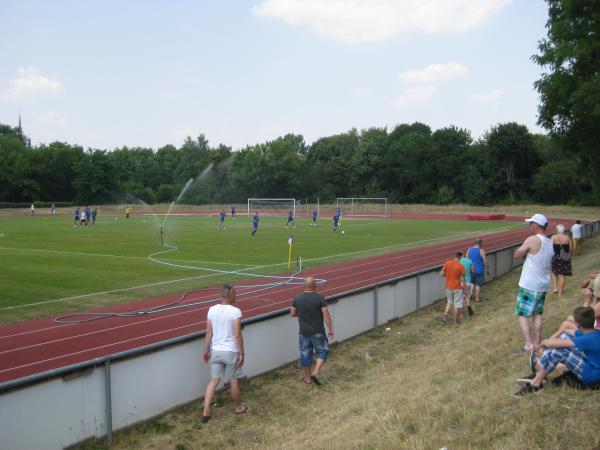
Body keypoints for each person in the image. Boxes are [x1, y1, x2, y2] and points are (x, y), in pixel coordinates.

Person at [514, 306, 600, 395]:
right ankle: (541, 374)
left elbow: (555, 344)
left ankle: (536, 383)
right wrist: (563, 331)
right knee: (564, 338)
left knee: (557, 352)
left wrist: (544, 342)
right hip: (592, 366)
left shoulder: (587, 339)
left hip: (592, 377)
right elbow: (568, 332)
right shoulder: (594, 333)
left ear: (578, 324)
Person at [202, 285, 249, 422]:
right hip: (231, 351)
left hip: (216, 351)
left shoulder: (211, 310)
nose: (236, 297)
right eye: (235, 294)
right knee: (233, 380)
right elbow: (237, 334)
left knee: (214, 380)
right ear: (229, 295)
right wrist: (242, 354)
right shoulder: (235, 312)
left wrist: (206, 350)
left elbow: (209, 332)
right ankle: (238, 407)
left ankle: (206, 410)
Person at [513, 213, 554, 354]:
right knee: (538, 314)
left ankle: (528, 345)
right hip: (543, 284)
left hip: (530, 284)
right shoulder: (550, 242)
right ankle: (536, 342)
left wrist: (523, 250)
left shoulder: (532, 239)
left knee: (522, 314)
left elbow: (517, 255)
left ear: (537, 225)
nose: (529, 226)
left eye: (531, 223)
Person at [291, 277, 334, 385]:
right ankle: (316, 371)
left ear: (304, 286)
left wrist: (302, 314)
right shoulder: (320, 298)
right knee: (323, 350)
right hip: (318, 331)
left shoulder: (297, 298)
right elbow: (326, 315)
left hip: (303, 332)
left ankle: (308, 378)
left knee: (305, 354)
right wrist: (331, 328)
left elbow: (292, 313)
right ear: (315, 286)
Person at [440, 252, 467, 325]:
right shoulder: (461, 266)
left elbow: (441, 274)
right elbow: (463, 279)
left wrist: (448, 276)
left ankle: (445, 314)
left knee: (449, 301)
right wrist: (465, 289)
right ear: (460, 257)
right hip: (457, 287)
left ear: (454, 256)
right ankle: (455, 322)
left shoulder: (447, 263)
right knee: (457, 304)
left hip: (448, 286)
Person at [550, 224, 572, 295]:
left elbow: (550, 247)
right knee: (562, 274)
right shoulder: (567, 238)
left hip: (556, 257)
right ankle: (560, 292)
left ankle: (555, 288)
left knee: (554, 272)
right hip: (565, 258)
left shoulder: (554, 237)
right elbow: (571, 249)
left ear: (557, 230)